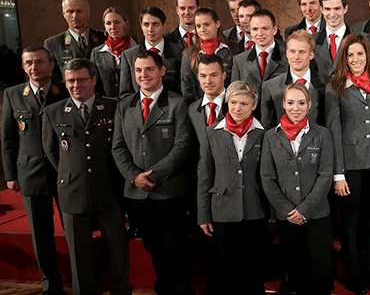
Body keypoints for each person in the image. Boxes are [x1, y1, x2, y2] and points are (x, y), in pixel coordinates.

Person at [40, 58, 133, 295]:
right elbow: (52, 152)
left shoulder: (113, 107)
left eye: (81, 79)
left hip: (109, 190)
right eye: (70, 80)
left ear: (93, 79)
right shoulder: (53, 112)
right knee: (79, 258)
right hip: (73, 193)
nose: (76, 85)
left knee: (118, 254)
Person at [112, 50, 193, 295]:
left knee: (175, 246)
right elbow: (118, 146)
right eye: (138, 70)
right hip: (137, 193)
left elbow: (183, 145)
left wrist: (154, 175)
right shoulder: (125, 105)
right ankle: (163, 288)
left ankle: (181, 289)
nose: (143, 75)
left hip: (168, 191)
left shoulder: (178, 103)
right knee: (153, 246)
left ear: (161, 70)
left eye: (149, 69)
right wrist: (134, 177)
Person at [1, 46, 68, 295]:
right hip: (30, 173)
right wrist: (10, 175)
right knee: (41, 234)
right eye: (28, 63)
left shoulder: (65, 90)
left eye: (39, 62)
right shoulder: (13, 94)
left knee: (72, 230)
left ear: (51, 64)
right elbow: (8, 138)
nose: (34, 67)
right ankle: (51, 284)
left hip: (64, 172)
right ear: (23, 66)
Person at [261, 83, 335, 295]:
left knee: (320, 269)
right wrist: (287, 210)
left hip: (317, 214)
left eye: (301, 103)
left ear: (309, 105)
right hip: (288, 216)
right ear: (283, 104)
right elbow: (267, 178)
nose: (296, 108)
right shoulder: (270, 137)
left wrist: (305, 209)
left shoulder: (322, 135)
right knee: (295, 269)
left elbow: (325, 176)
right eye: (291, 102)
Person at [326, 34, 370, 294]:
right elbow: (334, 132)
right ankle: (354, 273)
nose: (355, 59)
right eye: (350, 55)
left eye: (360, 54)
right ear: (344, 58)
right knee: (350, 222)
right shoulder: (335, 87)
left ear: (367, 56)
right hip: (349, 166)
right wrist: (338, 174)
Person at [197, 80, 269, 294]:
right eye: (234, 102)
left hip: (255, 209)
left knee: (253, 270)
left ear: (254, 105)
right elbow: (205, 175)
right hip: (222, 209)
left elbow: (268, 176)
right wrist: (203, 215)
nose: (238, 108)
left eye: (244, 104)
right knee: (224, 270)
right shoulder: (211, 133)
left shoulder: (264, 133)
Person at [261, 29, 328, 129]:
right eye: (292, 51)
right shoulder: (270, 86)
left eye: (302, 52)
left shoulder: (328, 84)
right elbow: (267, 126)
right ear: (287, 54)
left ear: (311, 55)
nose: (296, 57)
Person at [119, 6, 184, 97]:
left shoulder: (180, 52)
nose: (150, 29)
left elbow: (185, 89)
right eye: (146, 24)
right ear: (141, 26)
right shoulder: (129, 55)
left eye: (155, 24)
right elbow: (125, 93)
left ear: (164, 26)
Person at [44, 0, 107, 81]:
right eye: (70, 11)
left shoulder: (104, 39)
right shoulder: (53, 44)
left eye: (79, 11)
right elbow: (53, 79)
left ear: (88, 13)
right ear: (64, 14)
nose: (75, 16)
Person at [180, 8, 238, 100]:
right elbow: (187, 88)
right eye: (198, 26)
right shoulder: (189, 54)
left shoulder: (235, 49)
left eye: (207, 24)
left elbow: (238, 83)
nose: (202, 29)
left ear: (217, 24)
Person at [230, 8, 289, 93]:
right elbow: (235, 95)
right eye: (255, 29)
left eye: (265, 28)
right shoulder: (239, 61)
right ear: (250, 30)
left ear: (274, 30)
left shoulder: (289, 56)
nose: (260, 33)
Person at [89, 7, 136, 97]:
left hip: (133, 105)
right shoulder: (97, 53)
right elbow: (94, 85)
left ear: (126, 24)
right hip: (107, 105)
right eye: (108, 23)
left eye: (117, 22)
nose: (113, 27)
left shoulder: (138, 49)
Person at [312, 0, 352, 76]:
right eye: (327, 9)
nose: (332, 14)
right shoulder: (311, 41)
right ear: (321, 9)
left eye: (337, 8)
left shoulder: (358, 40)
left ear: (345, 8)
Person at [189, 54, 229, 139]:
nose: (208, 81)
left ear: (224, 76)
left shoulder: (236, 106)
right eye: (203, 76)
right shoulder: (192, 109)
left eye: (214, 75)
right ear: (198, 77)